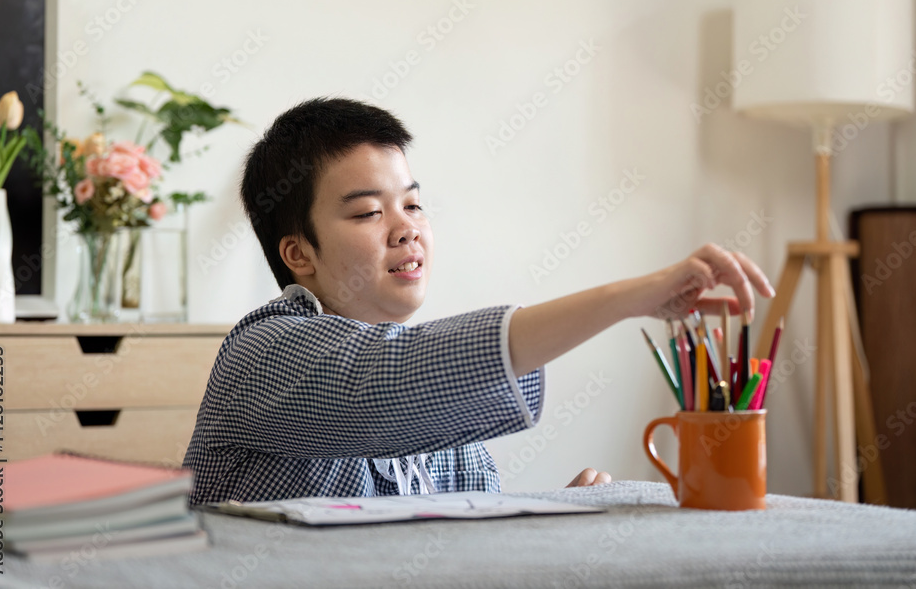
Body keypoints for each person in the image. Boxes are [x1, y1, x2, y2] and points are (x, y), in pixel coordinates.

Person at [183, 97, 774, 505]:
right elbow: (385, 381)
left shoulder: (450, 417)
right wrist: (632, 297)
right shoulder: (262, 353)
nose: (407, 229)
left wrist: (549, 524)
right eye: (367, 212)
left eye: (413, 205)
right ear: (299, 254)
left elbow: (466, 553)